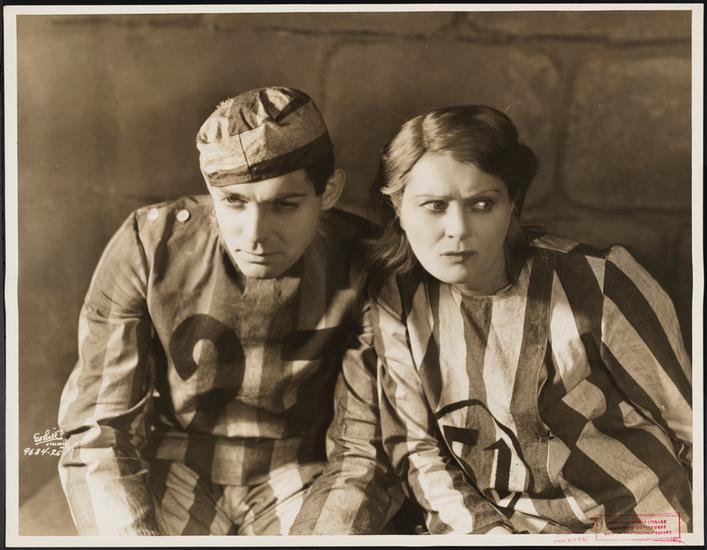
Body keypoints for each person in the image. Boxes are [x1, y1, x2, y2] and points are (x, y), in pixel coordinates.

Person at [57, 86, 402, 535]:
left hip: (303, 470)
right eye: (234, 201)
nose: (255, 234)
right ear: (211, 192)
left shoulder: (364, 257)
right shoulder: (150, 243)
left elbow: (364, 447)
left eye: (284, 204)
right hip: (172, 463)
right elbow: (98, 425)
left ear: (329, 191)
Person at [365, 104, 692, 534]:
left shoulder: (597, 281)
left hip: (641, 524)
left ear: (512, 205)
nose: (458, 228)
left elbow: (690, 422)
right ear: (398, 208)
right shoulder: (398, 302)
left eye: (482, 204)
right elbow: (420, 453)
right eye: (435, 206)